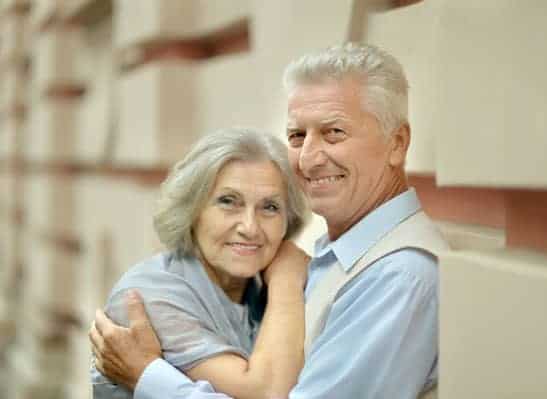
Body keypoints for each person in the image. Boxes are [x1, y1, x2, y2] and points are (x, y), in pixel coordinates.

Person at [90, 42, 449, 399]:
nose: (308, 158)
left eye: (334, 132)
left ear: (397, 143)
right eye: (297, 135)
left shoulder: (397, 278)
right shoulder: (324, 263)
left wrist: (148, 376)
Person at [90, 127, 311, 399]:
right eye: (228, 201)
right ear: (192, 210)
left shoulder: (257, 295)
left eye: (270, 207)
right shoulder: (149, 296)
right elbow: (266, 392)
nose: (250, 227)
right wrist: (287, 280)